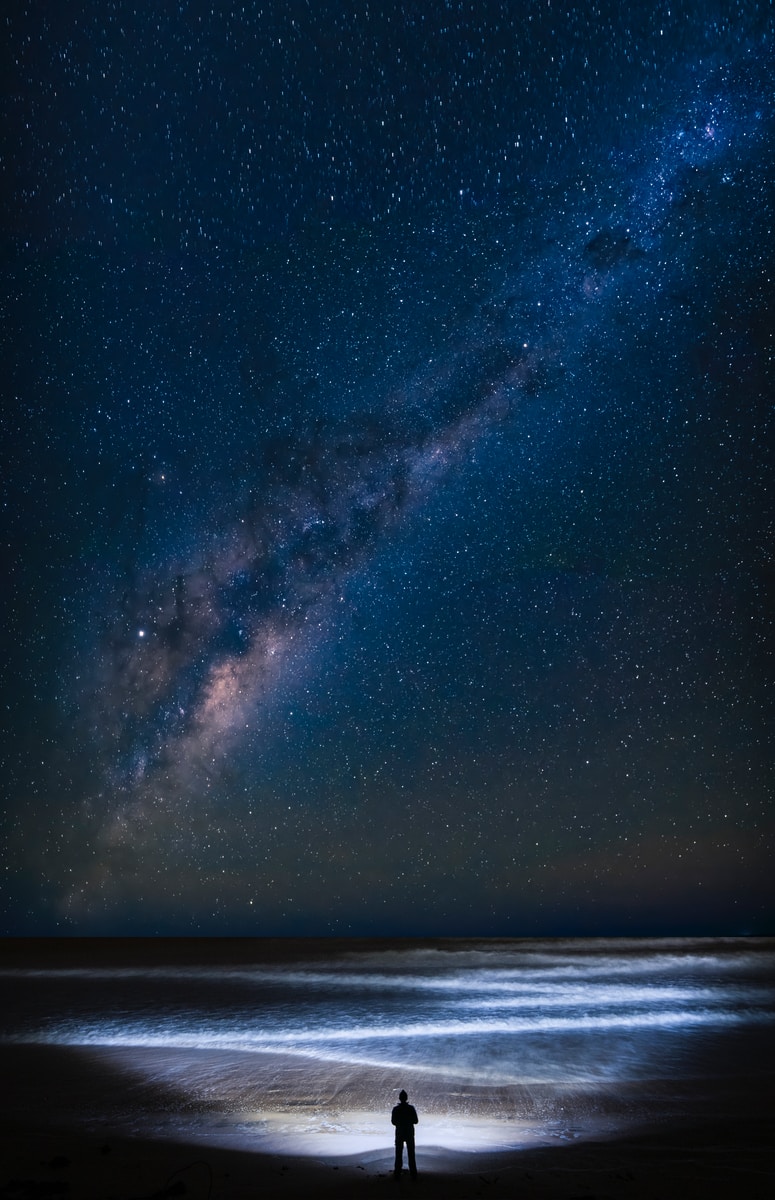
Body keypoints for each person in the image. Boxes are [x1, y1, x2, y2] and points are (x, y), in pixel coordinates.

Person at [391, 1088, 419, 1180]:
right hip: (409, 1133)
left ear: (399, 1098)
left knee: (398, 1154)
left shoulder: (396, 1109)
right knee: (411, 1154)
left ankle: (397, 1173)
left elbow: (393, 1122)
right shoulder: (411, 1108)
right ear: (406, 1098)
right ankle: (413, 1174)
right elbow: (416, 1121)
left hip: (399, 1133)